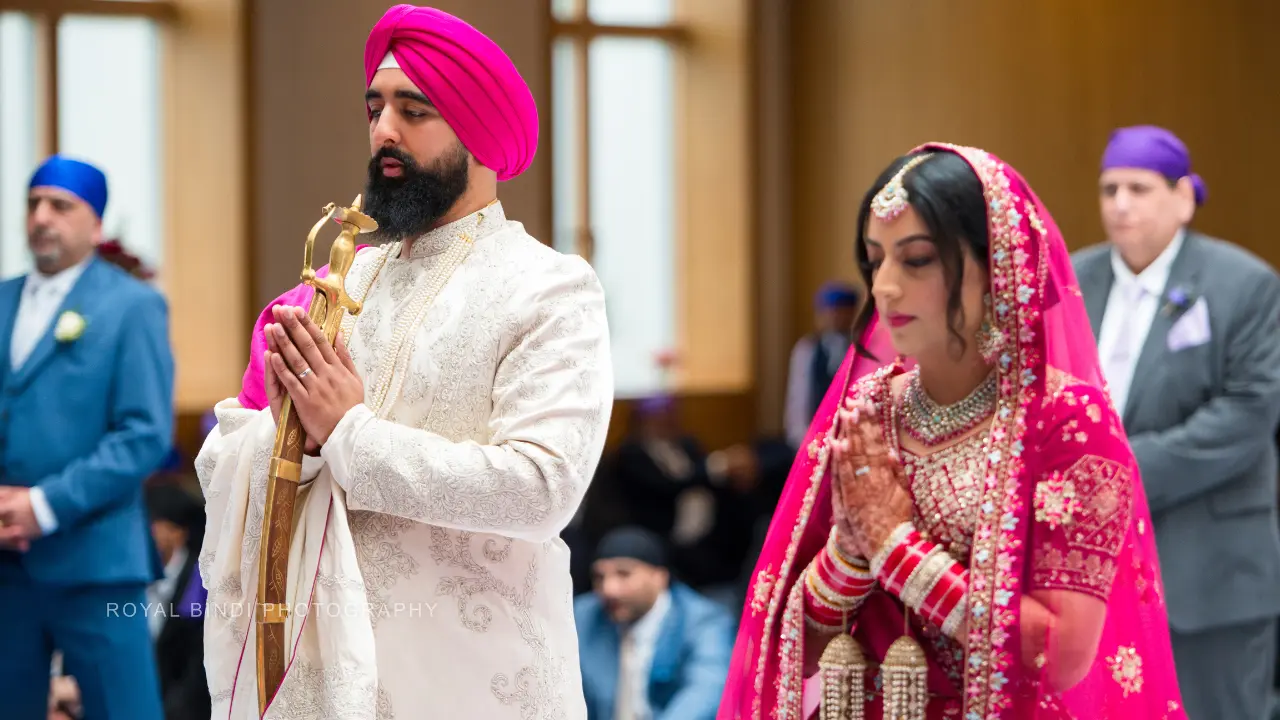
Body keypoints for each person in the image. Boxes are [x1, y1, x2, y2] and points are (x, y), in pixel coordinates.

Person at [196, 5, 613, 718]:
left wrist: (347, 432)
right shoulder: (345, 283)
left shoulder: (548, 286)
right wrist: (278, 433)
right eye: (375, 107)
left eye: (413, 110)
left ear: (478, 133)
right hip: (328, 675)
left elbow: (543, 490)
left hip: (477, 679)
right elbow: (237, 461)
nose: (384, 130)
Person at [717, 143, 1186, 719]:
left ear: (998, 266)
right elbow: (798, 641)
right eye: (874, 260)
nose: (884, 286)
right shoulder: (868, 409)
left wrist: (894, 546)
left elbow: (1062, 653)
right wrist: (850, 549)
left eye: (916, 260)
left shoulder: (1067, 421)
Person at [1074, 125, 1280, 720]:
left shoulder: (1244, 285)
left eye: (1138, 188)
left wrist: (1116, 469)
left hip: (1209, 574)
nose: (1120, 204)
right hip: (1094, 576)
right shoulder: (1073, 283)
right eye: (1109, 189)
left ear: (1184, 198)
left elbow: (1248, 414)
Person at [0, 154, 175, 719]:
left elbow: (144, 433)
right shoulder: (1, 299)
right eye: (33, 204)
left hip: (96, 560)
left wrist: (44, 505)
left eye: (60, 205)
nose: (41, 218)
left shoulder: (132, 307)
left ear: (95, 224)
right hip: (6, 567)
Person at [574, 526, 734, 720]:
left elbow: (706, 690)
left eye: (624, 574)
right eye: (600, 577)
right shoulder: (583, 616)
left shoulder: (703, 621)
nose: (609, 589)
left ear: (659, 577)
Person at [146, 481, 211, 720]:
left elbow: (197, 675)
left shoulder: (201, 584)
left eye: (150, 523)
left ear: (178, 533)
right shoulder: (128, 580)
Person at [784, 282, 861, 449]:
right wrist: (804, 442)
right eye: (829, 311)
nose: (835, 316)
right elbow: (798, 400)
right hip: (814, 440)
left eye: (842, 311)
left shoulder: (861, 349)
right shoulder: (807, 349)